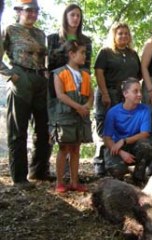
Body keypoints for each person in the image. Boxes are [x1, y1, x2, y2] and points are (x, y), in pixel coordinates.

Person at [0, 0, 51, 188]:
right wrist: (11, 75)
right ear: (20, 11)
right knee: (18, 131)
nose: (32, 14)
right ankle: (19, 178)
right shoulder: (10, 30)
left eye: (36, 11)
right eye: (29, 10)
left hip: (39, 81)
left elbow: (43, 57)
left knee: (44, 129)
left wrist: (45, 73)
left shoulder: (40, 33)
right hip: (20, 80)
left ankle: (39, 171)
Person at [47, 3, 92, 178]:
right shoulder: (53, 38)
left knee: (75, 140)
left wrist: (86, 102)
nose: (75, 18)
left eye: (78, 16)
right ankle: (53, 174)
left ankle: (72, 178)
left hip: (79, 89)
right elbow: (49, 66)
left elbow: (86, 66)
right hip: (59, 88)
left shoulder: (86, 40)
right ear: (66, 16)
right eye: (72, 15)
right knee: (61, 135)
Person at [93, 23, 141, 176]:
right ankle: (99, 162)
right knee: (104, 127)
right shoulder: (106, 52)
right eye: (120, 33)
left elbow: (138, 75)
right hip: (108, 93)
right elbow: (99, 73)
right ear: (114, 35)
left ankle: (116, 160)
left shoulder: (133, 54)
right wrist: (105, 93)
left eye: (126, 33)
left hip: (124, 96)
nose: (124, 36)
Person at [52, 40, 93, 193]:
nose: (84, 56)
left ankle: (75, 182)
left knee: (76, 148)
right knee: (64, 148)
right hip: (65, 116)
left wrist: (87, 106)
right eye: (82, 53)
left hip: (81, 117)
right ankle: (60, 182)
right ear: (71, 54)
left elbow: (91, 95)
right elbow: (60, 95)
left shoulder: (86, 74)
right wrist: (78, 107)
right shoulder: (60, 73)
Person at [103, 77, 152, 183]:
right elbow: (107, 138)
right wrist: (121, 152)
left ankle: (138, 177)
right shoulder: (113, 112)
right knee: (117, 171)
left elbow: (145, 133)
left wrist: (124, 140)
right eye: (135, 91)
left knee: (146, 146)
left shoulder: (145, 109)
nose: (139, 94)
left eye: (140, 91)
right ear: (125, 94)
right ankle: (118, 173)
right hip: (117, 148)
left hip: (133, 144)